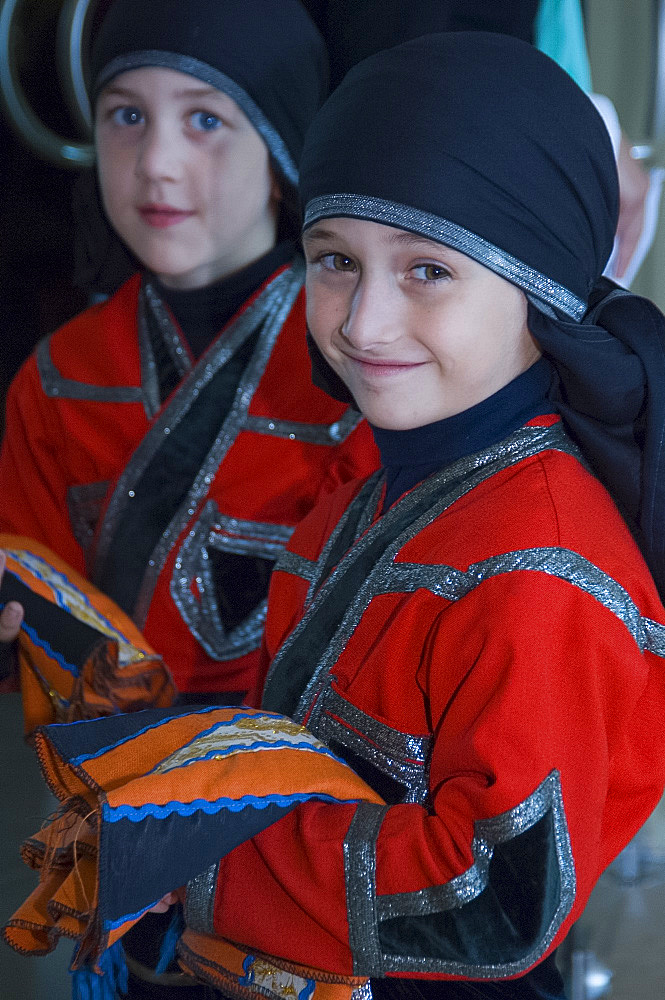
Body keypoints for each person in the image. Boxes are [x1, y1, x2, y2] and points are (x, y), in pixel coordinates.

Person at [197, 30, 665, 998]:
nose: (362, 323)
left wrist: (200, 863)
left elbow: (493, 898)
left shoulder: (539, 569)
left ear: (537, 289)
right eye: (333, 260)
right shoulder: (376, 474)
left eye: (425, 271)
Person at [0, 0, 377, 707]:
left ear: (280, 150)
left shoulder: (362, 369)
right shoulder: (58, 376)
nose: (156, 164)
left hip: (305, 795)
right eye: (127, 116)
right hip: (98, 792)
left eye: (205, 120)